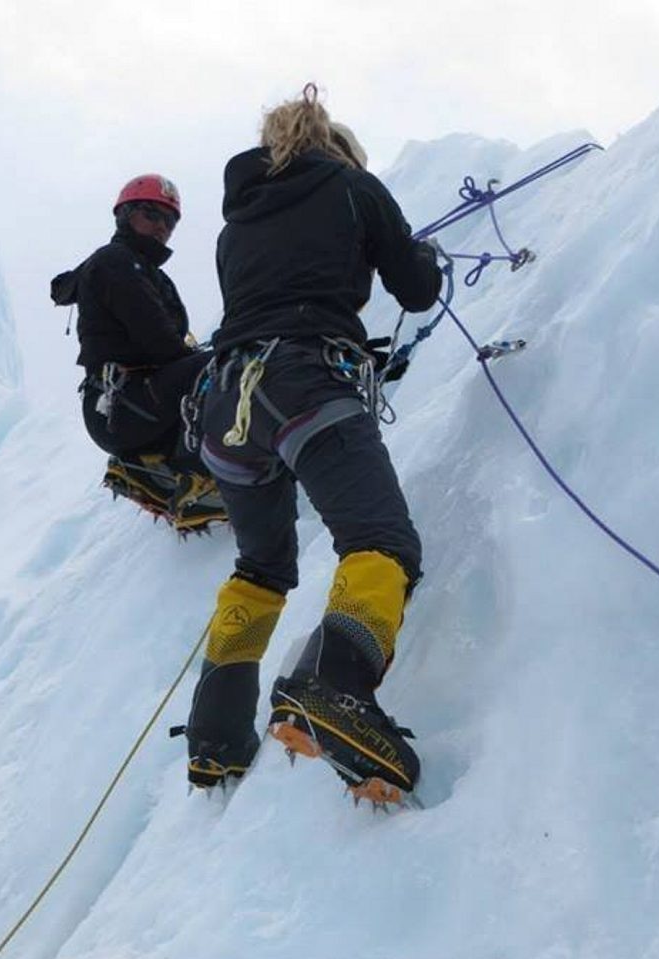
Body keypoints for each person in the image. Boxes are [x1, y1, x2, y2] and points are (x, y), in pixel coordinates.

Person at [183, 84, 442, 805]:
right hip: (304, 381)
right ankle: (337, 689)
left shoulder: (235, 226)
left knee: (261, 567)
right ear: (339, 151)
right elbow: (416, 289)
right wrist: (419, 254)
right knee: (380, 540)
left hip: (225, 404)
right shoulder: (354, 187)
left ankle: (216, 735)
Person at [50, 174, 226, 532]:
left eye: (169, 220)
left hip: (124, 407)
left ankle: (154, 471)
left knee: (212, 364)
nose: (162, 226)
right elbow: (158, 341)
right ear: (126, 215)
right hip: (126, 403)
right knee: (224, 366)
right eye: (151, 214)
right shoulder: (117, 262)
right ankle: (199, 478)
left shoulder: (142, 271)